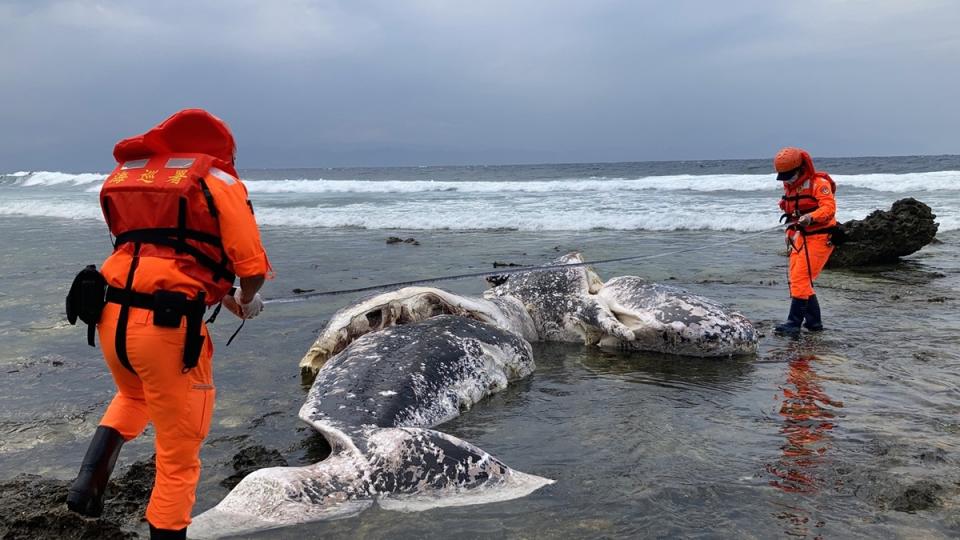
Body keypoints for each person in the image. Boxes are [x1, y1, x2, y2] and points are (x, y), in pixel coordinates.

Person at [66, 109, 271, 539]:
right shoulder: (219, 181)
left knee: (133, 393)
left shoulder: (133, 177)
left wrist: (219, 293)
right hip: (166, 331)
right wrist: (246, 300)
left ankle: (88, 485)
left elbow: (154, 249)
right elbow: (249, 266)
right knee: (179, 456)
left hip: (110, 315)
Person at [773, 147, 837, 336]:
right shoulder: (790, 186)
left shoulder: (819, 183)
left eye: (789, 175)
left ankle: (793, 324)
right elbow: (788, 204)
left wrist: (811, 217)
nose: (787, 179)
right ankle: (814, 324)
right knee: (798, 279)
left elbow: (828, 208)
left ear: (800, 168)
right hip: (799, 236)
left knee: (801, 279)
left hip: (821, 236)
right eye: (783, 176)